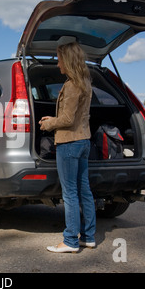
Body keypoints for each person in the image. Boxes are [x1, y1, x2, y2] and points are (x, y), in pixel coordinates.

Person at [39, 41, 96, 253]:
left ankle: (71, 240)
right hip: (83, 141)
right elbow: (75, 117)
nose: (57, 64)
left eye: (59, 59)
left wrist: (48, 123)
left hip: (69, 143)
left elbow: (67, 119)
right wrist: (54, 118)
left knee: (70, 193)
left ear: (68, 60)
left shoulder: (72, 85)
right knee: (84, 190)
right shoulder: (85, 83)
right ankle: (88, 236)